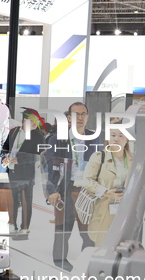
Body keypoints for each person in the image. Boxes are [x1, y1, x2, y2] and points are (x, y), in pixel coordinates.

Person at [46, 102, 100, 271]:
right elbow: (51, 169)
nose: (80, 118)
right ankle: (60, 261)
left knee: (88, 230)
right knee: (64, 227)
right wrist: (52, 191)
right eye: (76, 115)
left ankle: (87, 262)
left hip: (87, 189)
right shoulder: (57, 139)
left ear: (88, 117)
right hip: (65, 189)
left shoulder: (95, 138)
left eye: (83, 114)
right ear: (69, 118)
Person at [81, 121, 132, 246]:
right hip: (104, 209)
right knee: (102, 247)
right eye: (113, 134)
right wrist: (105, 192)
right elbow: (87, 180)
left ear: (127, 138)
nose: (116, 138)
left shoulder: (134, 159)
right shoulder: (99, 157)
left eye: (121, 135)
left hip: (126, 210)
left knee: (123, 246)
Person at [1, 108, 46, 234]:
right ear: (24, 119)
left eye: (36, 121)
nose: (34, 123)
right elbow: (5, 148)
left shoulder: (38, 136)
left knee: (26, 200)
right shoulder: (14, 131)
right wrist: (4, 157)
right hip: (12, 170)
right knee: (13, 198)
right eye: (32, 120)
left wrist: (18, 160)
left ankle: (25, 227)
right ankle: (12, 224)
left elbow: (38, 156)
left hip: (27, 172)